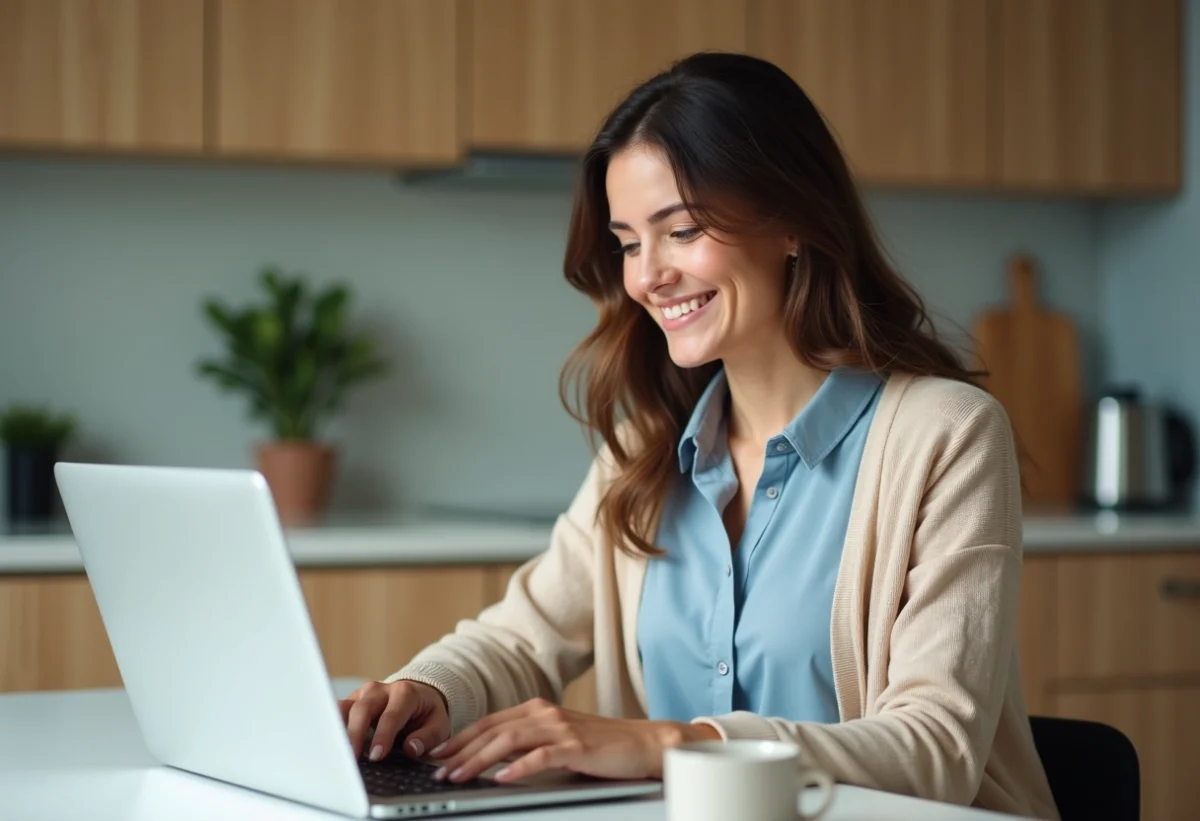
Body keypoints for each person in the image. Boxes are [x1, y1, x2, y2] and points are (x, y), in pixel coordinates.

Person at [339, 52, 1058, 820]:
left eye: (680, 230)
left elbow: (936, 746)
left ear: (790, 221)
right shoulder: (644, 447)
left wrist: (672, 742)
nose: (648, 276)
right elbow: (522, 637)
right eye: (628, 242)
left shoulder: (945, 436)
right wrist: (428, 689)